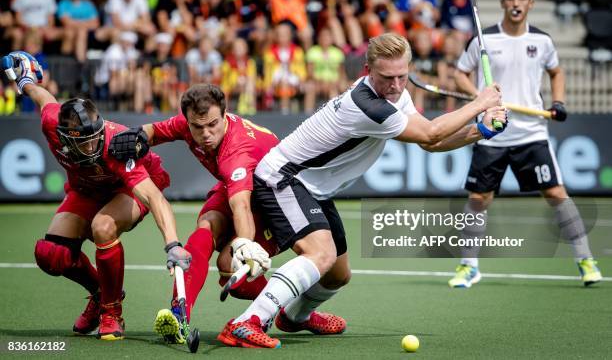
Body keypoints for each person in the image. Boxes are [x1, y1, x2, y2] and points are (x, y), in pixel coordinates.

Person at [216, 32, 507, 349]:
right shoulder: (366, 104)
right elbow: (432, 131)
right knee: (320, 254)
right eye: (387, 78)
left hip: (314, 187)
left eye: (402, 76)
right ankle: (246, 322)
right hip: (284, 177)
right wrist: (481, 103)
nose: (395, 86)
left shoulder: (396, 95)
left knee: (337, 275)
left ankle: (294, 317)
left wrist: (481, 130)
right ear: (367, 70)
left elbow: (432, 144)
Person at [0, 51, 191, 340]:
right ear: (63, 137)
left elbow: (153, 197)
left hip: (128, 188)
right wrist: (26, 79)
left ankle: (112, 312)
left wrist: (172, 244)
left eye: (95, 138)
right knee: (52, 255)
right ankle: (101, 293)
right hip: (87, 189)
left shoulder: (115, 145)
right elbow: (43, 98)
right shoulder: (52, 123)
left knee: (102, 226)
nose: (93, 147)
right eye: (84, 143)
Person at [448, 0, 602, 288]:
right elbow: (460, 74)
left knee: (556, 194)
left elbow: (556, 72)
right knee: (478, 198)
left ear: (530, 3)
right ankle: (469, 266)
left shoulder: (543, 41)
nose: (515, 3)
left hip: (531, 134)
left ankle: (586, 259)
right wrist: (480, 98)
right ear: (503, 2)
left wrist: (558, 100)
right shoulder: (484, 39)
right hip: (492, 133)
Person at [108, 84, 279, 344]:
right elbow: (154, 131)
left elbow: (241, 205)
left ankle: (292, 308)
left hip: (276, 201)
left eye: (212, 125)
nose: (205, 134)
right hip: (237, 187)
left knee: (228, 265)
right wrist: (136, 136)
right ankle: (179, 315)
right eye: (197, 127)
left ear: (225, 114)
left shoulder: (236, 152)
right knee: (207, 224)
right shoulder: (191, 124)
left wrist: (244, 245)